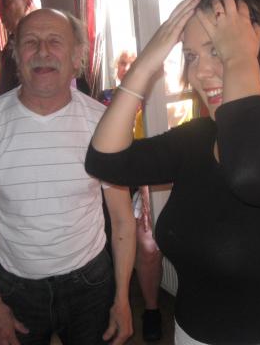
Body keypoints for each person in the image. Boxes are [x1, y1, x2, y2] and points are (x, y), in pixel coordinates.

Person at [85, 0, 260, 344]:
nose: (200, 72)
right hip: (186, 335)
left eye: (217, 49)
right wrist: (147, 62)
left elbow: (252, 173)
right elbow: (104, 160)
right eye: (191, 56)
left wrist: (240, 59)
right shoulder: (198, 137)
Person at [0, 8, 136, 345]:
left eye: (55, 41)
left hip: (91, 285)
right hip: (14, 288)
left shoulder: (104, 124)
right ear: (16, 55)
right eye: (31, 42)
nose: (42, 52)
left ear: (77, 57)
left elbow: (123, 219)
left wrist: (122, 298)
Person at [99, 50, 164, 341]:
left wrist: (147, 193)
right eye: (124, 64)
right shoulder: (105, 99)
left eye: (134, 64)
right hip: (114, 179)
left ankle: (151, 309)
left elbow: (155, 155)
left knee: (148, 245)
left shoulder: (155, 102)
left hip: (145, 180)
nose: (128, 68)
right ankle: (118, 301)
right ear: (118, 70)